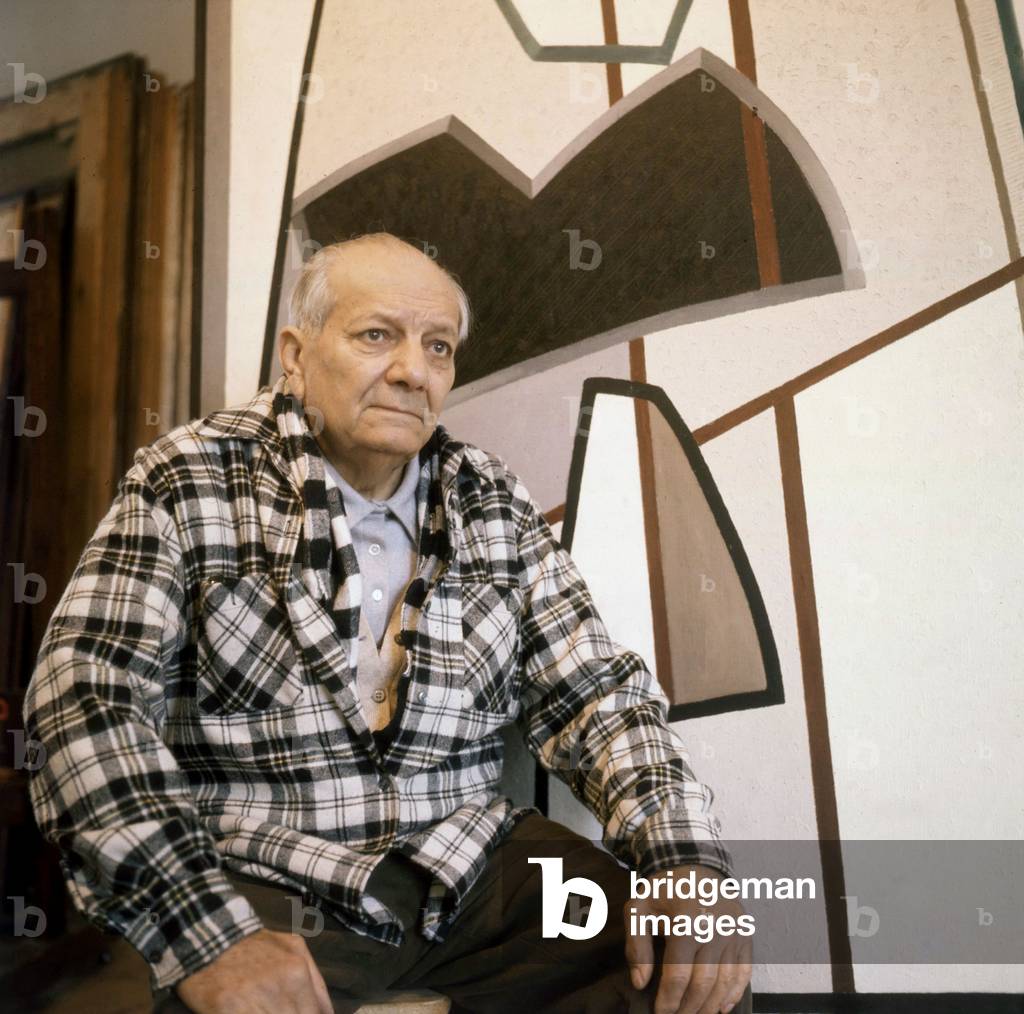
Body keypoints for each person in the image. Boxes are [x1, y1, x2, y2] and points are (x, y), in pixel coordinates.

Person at [23, 233, 753, 1014]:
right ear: (296, 356)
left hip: (472, 861)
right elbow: (83, 703)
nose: (413, 370)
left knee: (685, 975)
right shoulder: (189, 477)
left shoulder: (490, 500)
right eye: (378, 335)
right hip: (270, 870)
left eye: (438, 347)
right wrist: (202, 932)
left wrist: (682, 860)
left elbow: (597, 696)